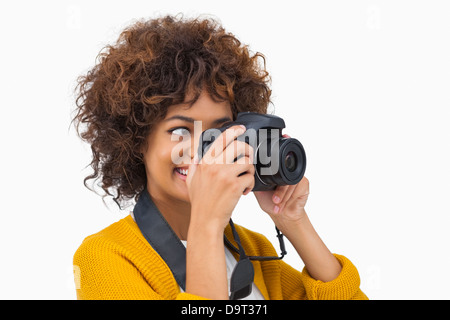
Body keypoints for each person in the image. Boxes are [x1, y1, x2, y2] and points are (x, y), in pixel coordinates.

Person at [72, 14, 367, 300]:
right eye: (180, 130)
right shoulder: (105, 255)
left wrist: (292, 220)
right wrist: (208, 223)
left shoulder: (252, 249)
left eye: (221, 131)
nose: (205, 151)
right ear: (136, 139)